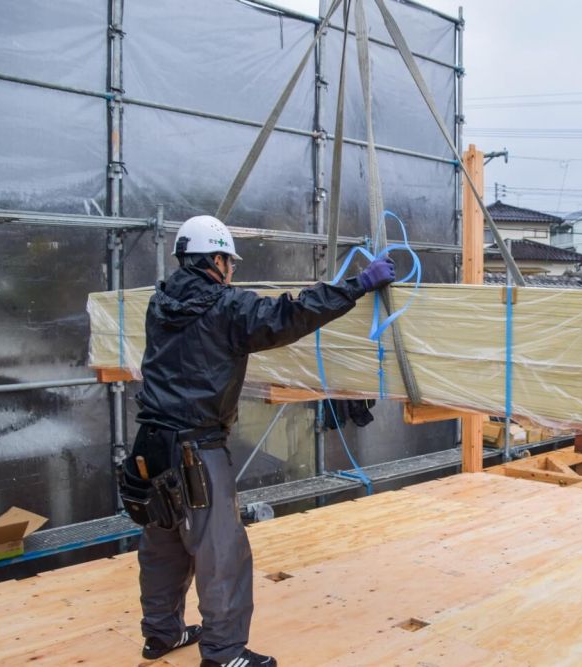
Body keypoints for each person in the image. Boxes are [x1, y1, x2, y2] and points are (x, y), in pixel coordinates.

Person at [129, 215, 395, 667]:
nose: (231, 270)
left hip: (150, 446)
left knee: (163, 544)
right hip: (196, 450)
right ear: (216, 260)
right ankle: (224, 654)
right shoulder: (226, 309)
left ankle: (161, 635)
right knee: (221, 553)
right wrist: (358, 285)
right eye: (228, 262)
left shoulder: (160, 303)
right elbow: (291, 314)